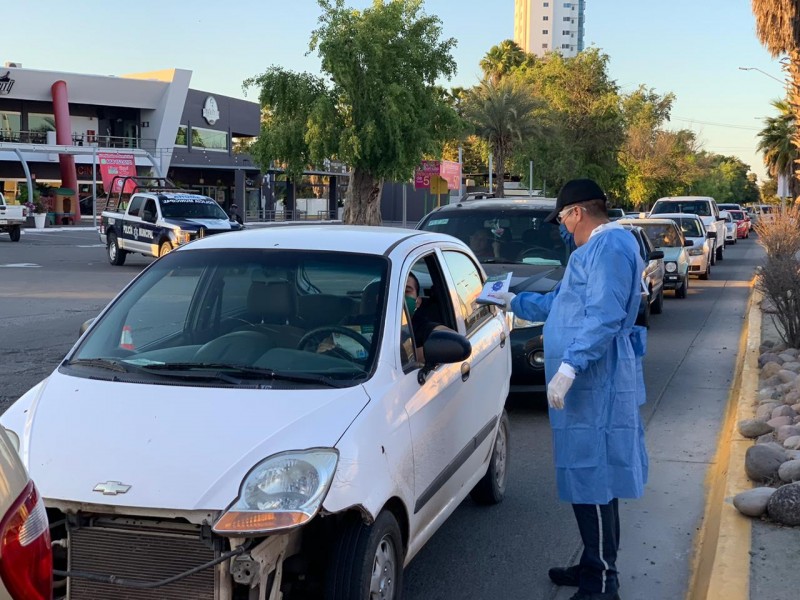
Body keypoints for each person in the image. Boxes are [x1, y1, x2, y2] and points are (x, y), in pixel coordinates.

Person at [496, 178, 648, 600]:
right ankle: (591, 564)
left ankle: (602, 584)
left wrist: (569, 366)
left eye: (562, 218)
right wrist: (510, 302)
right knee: (589, 477)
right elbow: (560, 304)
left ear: (577, 212)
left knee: (594, 478)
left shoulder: (611, 247)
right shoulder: (592, 251)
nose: (561, 227)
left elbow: (603, 314)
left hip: (594, 382)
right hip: (585, 386)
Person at [405, 272, 447, 362]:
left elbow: (446, 334)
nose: (398, 296)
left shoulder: (422, 327)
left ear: (418, 302)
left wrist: (413, 354)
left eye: (407, 291)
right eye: (390, 291)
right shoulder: (369, 324)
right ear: (378, 298)